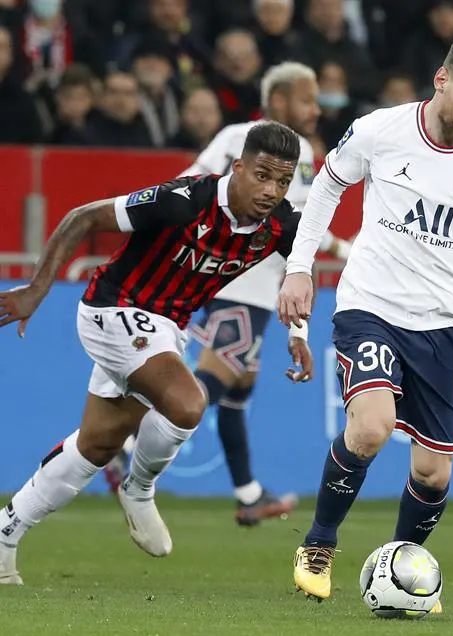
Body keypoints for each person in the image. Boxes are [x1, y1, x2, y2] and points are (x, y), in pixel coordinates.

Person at [278, 35, 453, 612]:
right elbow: (328, 187)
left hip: (442, 323)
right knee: (373, 427)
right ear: (442, 80)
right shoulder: (381, 130)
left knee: (433, 474)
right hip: (370, 305)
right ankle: (319, 542)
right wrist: (300, 269)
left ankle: (398, 568)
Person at [0, 122, 314, 585]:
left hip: (166, 329)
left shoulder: (281, 224)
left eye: (283, 181)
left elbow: (300, 270)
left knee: (95, 447)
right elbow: (83, 217)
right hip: (113, 308)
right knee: (187, 401)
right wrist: (35, 292)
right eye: (262, 175)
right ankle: (140, 487)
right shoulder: (184, 200)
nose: (272, 190)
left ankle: (6, 534)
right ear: (238, 166)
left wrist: (299, 333)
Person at [104, 62, 351, 527]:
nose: (316, 110)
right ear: (277, 101)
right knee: (214, 379)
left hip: (261, 288)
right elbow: (185, 184)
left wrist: (332, 257)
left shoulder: (302, 156)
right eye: (306, 99)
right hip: (233, 281)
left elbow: (301, 229)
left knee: (238, 387)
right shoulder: (238, 137)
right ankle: (127, 449)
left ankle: (248, 493)